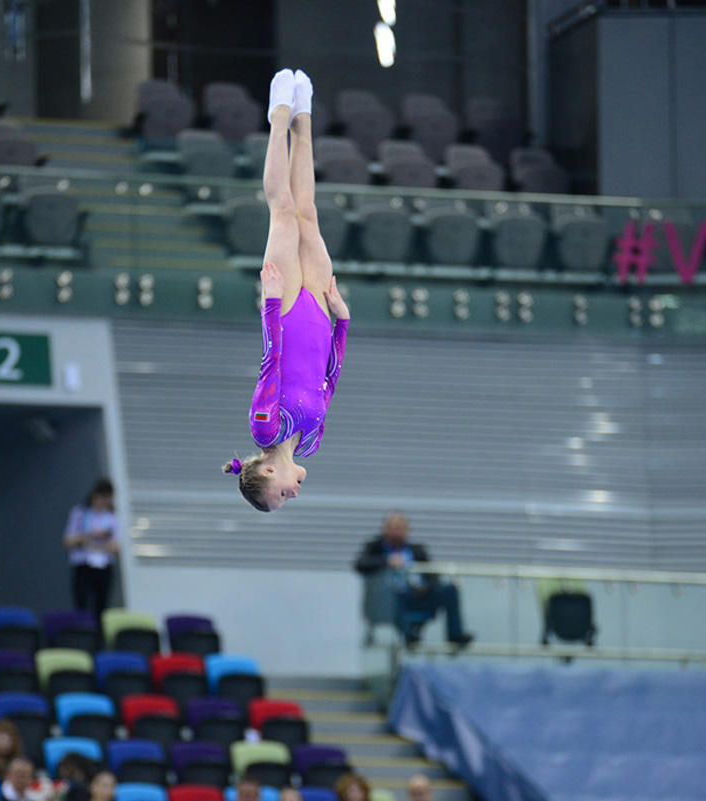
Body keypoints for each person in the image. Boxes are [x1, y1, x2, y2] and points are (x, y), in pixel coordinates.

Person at [222, 68, 350, 513]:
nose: (292, 495)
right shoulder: (311, 443)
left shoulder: (264, 429)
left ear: (267, 473)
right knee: (308, 213)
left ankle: (278, 114)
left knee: (282, 210)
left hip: (288, 308)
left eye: (280, 496)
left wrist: (271, 301)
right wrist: (343, 322)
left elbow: (270, 361)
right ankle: (304, 118)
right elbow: (329, 380)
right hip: (318, 309)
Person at [354, 512, 473, 649]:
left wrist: (426, 586)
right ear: (385, 529)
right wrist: (387, 561)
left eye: (400, 527)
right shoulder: (374, 548)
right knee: (395, 593)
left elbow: (432, 575)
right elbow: (360, 564)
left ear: (407, 530)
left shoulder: (417, 550)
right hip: (388, 598)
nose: (396, 531)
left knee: (449, 590)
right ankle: (409, 636)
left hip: (417, 595)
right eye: (393, 527)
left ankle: (455, 636)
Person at [61, 479, 119, 617]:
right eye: (101, 498)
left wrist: (94, 544)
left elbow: (116, 546)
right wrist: (91, 535)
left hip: (103, 568)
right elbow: (68, 540)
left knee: (102, 609)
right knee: (81, 605)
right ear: (95, 496)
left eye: (107, 499)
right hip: (83, 566)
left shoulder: (111, 518)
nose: (103, 502)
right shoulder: (80, 514)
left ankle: (97, 637)